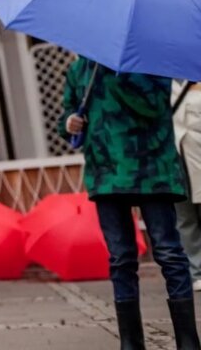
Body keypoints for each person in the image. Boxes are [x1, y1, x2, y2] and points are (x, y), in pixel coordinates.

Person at [62, 57, 201, 350]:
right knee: (121, 258)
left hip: (153, 171)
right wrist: (70, 123)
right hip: (106, 174)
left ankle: (188, 340)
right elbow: (69, 119)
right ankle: (130, 340)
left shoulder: (151, 62)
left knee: (169, 252)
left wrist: (116, 74)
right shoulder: (79, 69)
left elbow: (154, 105)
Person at [171, 80, 201, 290]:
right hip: (174, 153)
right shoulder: (162, 79)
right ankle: (196, 272)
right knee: (184, 214)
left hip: (198, 150)